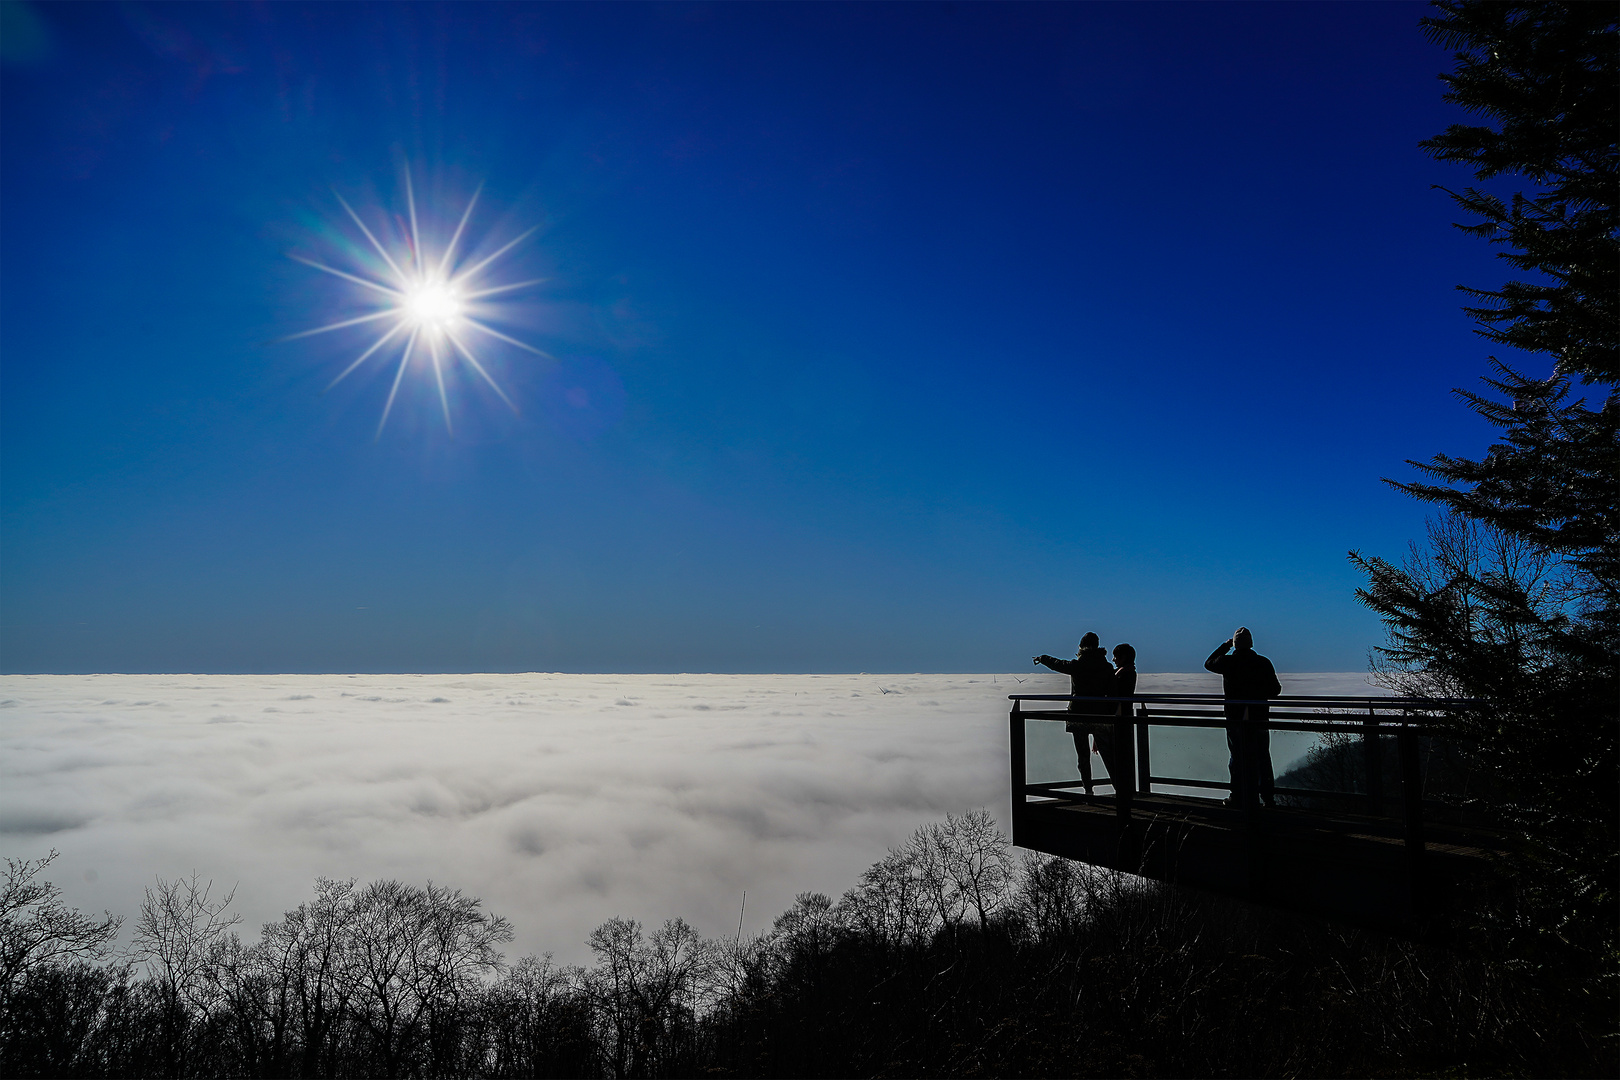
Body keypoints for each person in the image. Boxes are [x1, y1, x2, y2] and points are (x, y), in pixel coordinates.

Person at [1205, 627, 1282, 807]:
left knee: (1237, 757)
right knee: (1262, 756)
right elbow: (1275, 690)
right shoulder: (1263, 663)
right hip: (1259, 717)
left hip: (1234, 718)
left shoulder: (1227, 662)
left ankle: (1238, 796)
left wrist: (1224, 646)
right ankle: (1268, 798)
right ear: (1251, 643)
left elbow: (1208, 663)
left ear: (1235, 644)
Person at [1033, 632, 1116, 797]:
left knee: (1083, 756)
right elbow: (1112, 694)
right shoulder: (1107, 668)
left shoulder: (1077, 665)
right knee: (1108, 755)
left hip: (1078, 715)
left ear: (1081, 646)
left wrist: (1042, 658)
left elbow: (1058, 664)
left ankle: (1088, 791)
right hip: (1101, 715)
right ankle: (1120, 788)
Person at [1092, 642, 1137, 787]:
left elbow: (1114, 701)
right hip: (1123, 721)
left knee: (1115, 760)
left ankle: (1122, 791)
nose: (1113, 660)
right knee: (1123, 759)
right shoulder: (1128, 673)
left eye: (1116, 657)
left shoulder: (1123, 675)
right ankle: (1125, 791)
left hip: (1116, 722)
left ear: (1123, 658)